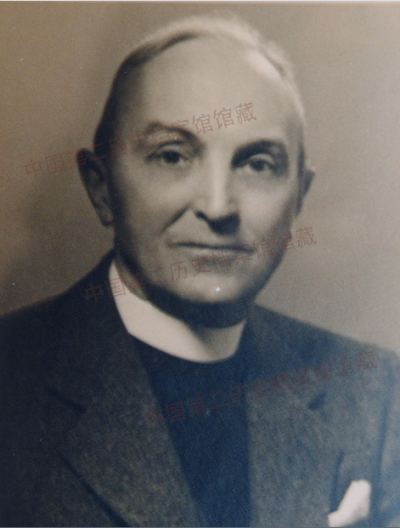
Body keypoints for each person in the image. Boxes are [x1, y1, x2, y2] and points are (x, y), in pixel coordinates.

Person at [1, 16, 399, 528]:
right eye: (172, 156)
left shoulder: (373, 395)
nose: (217, 206)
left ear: (299, 196)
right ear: (101, 187)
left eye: (257, 164)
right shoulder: (12, 380)